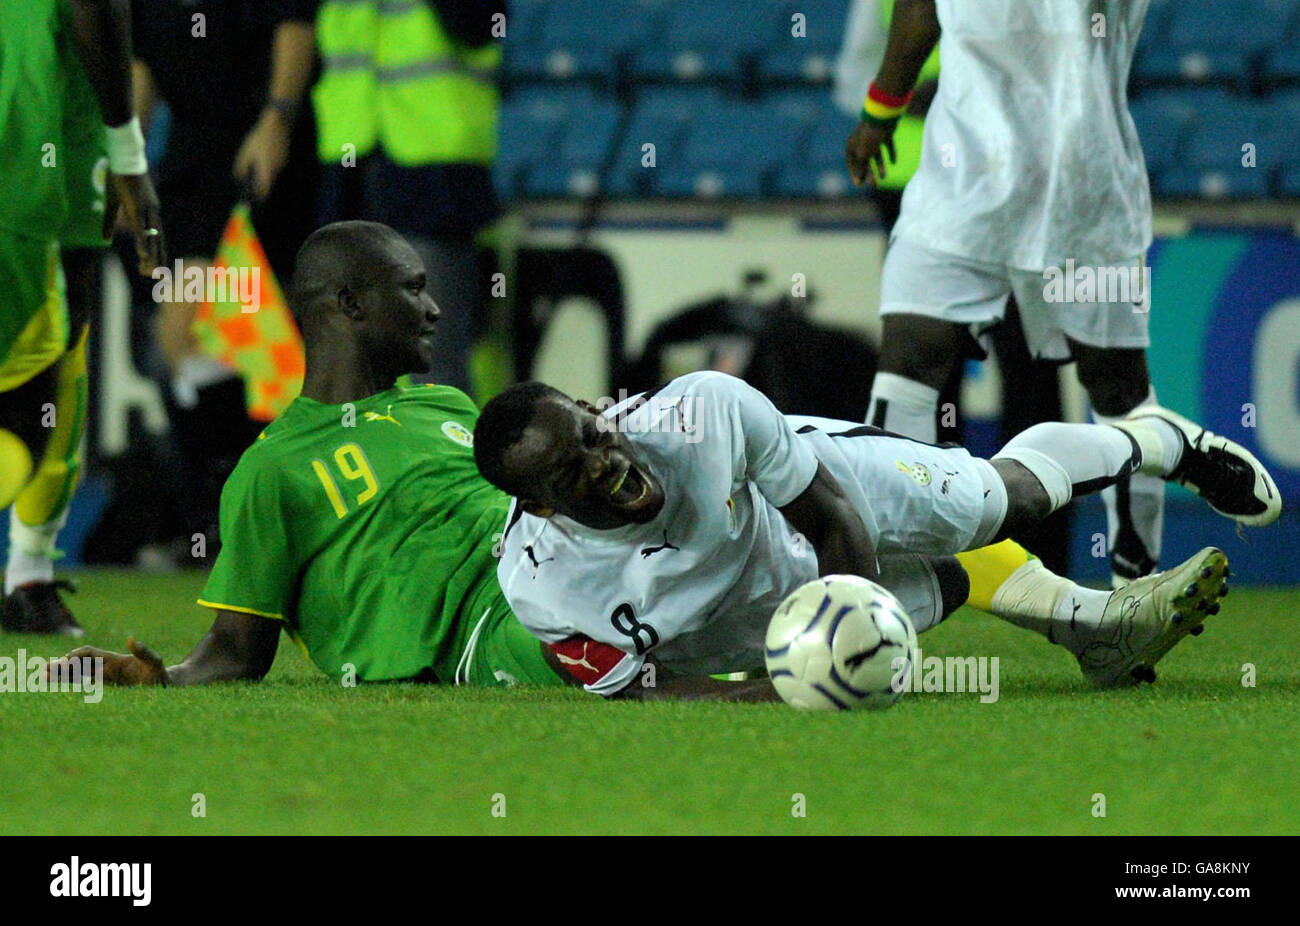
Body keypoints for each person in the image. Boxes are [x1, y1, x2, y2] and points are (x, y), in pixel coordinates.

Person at [471, 372, 1279, 699]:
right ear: (541, 510)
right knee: (946, 583)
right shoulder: (540, 591)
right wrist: (787, 691)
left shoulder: (704, 411)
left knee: (997, 503)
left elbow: (829, 518)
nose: (604, 463)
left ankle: (1159, 441)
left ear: (593, 406)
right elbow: (640, 692)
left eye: (593, 434)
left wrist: (840, 632)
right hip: (736, 612)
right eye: (570, 476)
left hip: (812, 492)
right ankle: (1095, 632)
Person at [51, 221, 567, 689]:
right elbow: (237, 649)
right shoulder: (274, 467)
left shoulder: (445, 403)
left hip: (564, 552)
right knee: (617, 645)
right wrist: (165, 678)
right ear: (351, 304)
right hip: (488, 622)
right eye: (412, 289)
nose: (433, 309)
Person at [844, 0, 1181, 587]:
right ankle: (876, 584)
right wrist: (881, 110)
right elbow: (920, 8)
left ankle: (1138, 581)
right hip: (960, 182)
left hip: (1081, 184)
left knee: (1114, 379)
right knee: (908, 356)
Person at [1, 0, 163, 634]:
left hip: (60, 110)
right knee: (49, 343)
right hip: (28, 110)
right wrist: (129, 152)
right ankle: (29, 573)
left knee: (66, 327)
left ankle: (29, 575)